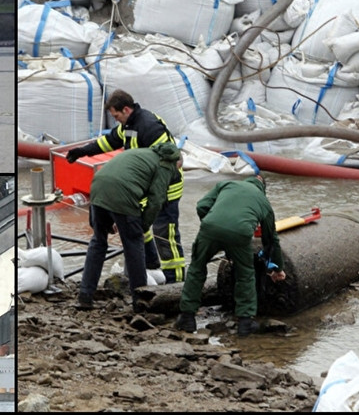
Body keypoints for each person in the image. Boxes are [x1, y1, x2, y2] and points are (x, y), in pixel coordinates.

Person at [66, 89, 187, 283]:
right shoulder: (129, 125)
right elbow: (110, 141)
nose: (115, 121)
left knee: (165, 236)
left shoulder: (150, 128)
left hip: (165, 189)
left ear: (126, 109)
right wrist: (82, 152)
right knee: (141, 229)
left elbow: (171, 164)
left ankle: (176, 283)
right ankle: (150, 266)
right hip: (143, 187)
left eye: (116, 116)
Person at [175, 174, 286, 337]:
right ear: (263, 189)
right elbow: (271, 238)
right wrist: (278, 267)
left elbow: (202, 206)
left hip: (209, 227)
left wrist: (212, 225)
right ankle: (245, 324)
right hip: (241, 234)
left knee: (196, 269)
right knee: (245, 275)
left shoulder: (227, 184)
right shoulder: (263, 202)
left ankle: (187, 318)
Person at [76, 142, 182, 311]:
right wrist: (142, 226)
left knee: (98, 242)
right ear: (176, 162)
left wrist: (109, 220)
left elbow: (122, 181)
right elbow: (156, 201)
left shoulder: (142, 152)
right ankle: (140, 300)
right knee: (134, 245)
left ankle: (85, 296)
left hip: (98, 186)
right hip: (122, 193)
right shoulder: (166, 165)